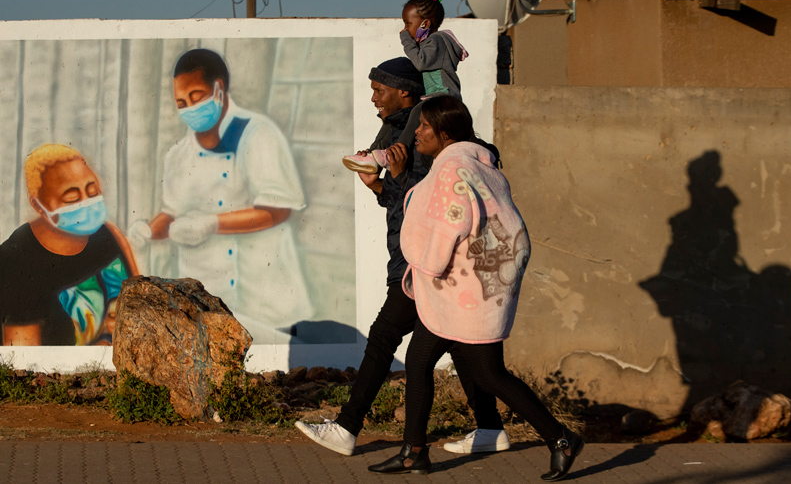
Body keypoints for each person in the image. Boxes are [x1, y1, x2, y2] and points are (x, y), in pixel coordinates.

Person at [295, 58, 509, 456]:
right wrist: (379, 185)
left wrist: (391, 181)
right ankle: (489, 428)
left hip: (426, 262)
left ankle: (350, 428)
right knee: (462, 348)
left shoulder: (423, 136)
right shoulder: (397, 130)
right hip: (420, 258)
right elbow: (398, 204)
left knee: (384, 338)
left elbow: (421, 205)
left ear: (405, 92)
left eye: (380, 89)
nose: (373, 97)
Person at [368, 96, 582, 481]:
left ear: (445, 134)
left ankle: (561, 438)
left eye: (425, 128)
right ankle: (413, 452)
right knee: (420, 361)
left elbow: (447, 223)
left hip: (462, 289)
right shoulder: (476, 165)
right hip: (471, 287)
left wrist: (428, 263)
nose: (417, 132)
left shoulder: (453, 170)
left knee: (489, 374)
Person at [127, 48, 311, 343]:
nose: (190, 108)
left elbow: (278, 210)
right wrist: (149, 231)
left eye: (197, 96)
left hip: (263, 297)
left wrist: (211, 224)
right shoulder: (178, 155)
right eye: (181, 102)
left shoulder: (258, 134)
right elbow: (172, 213)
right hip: (209, 301)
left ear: (219, 89)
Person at [0, 144, 139, 346]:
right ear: (38, 205)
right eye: (72, 198)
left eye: (92, 192)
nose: (86, 203)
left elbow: (144, 302)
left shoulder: (108, 234)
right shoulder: (15, 262)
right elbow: (23, 361)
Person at [342, 0, 468, 174]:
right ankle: (373, 153)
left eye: (408, 24)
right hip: (434, 97)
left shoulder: (437, 40)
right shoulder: (431, 42)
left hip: (443, 97)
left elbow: (420, 62)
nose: (405, 29)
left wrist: (406, 40)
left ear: (424, 24)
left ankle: (391, 153)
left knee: (417, 111)